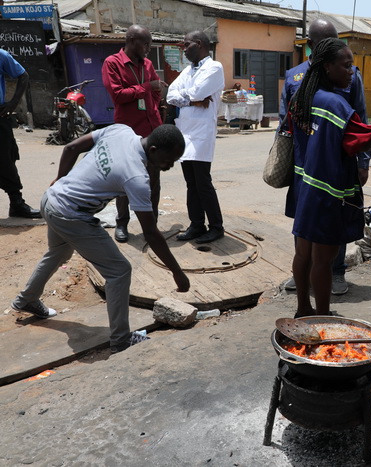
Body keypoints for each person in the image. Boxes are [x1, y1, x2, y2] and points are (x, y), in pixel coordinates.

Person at [11, 124, 190, 354]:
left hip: (52, 199)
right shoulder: (136, 176)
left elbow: (71, 148)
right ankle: (121, 340)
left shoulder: (121, 131)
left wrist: (60, 179)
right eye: (169, 160)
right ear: (153, 150)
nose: (170, 165)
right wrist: (177, 272)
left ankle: (27, 299)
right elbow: (151, 233)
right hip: (70, 215)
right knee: (119, 271)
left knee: (58, 253)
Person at [286, 37, 371, 318]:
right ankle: (323, 316)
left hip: (303, 187)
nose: (351, 72)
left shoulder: (302, 96)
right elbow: (367, 139)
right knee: (323, 261)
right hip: (327, 193)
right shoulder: (335, 105)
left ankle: (304, 308)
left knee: (303, 254)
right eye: (346, 66)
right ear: (327, 67)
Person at [280, 18, 371, 296]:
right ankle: (304, 271)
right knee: (304, 215)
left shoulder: (350, 74)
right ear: (310, 46)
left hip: (336, 164)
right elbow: (285, 123)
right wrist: (283, 161)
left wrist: (363, 162)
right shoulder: (295, 77)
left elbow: (361, 120)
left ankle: (337, 270)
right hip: (303, 162)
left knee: (337, 213)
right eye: (324, 44)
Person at [102, 24, 167, 243]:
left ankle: (152, 226)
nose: (148, 48)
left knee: (153, 179)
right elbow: (118, 95)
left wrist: (154, 106)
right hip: (127, 132)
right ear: (130, 41)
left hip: (151, 129)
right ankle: (122, 223)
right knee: (125, 180)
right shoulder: (112, 63)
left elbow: (156, 92)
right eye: (145, 43)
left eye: (150, 43)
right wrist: (148, 87)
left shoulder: (147, 64)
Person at [166, 31, 226, 244]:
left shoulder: (214, 68)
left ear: (198, 44)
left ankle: (216, 227)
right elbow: (171, 95)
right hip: (185, 131)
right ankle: (197, 224)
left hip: (201, 133)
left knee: (202, 182)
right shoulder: (187, 71)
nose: (184, 48)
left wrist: (190, 97)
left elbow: (198, 92)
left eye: (186, 44)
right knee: (191, 182)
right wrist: (191, 100)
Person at [0, 48, 41, 219]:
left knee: (5, 159)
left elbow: (23, 76)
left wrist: (13, 103)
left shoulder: (1, 55)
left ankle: (16, 203)